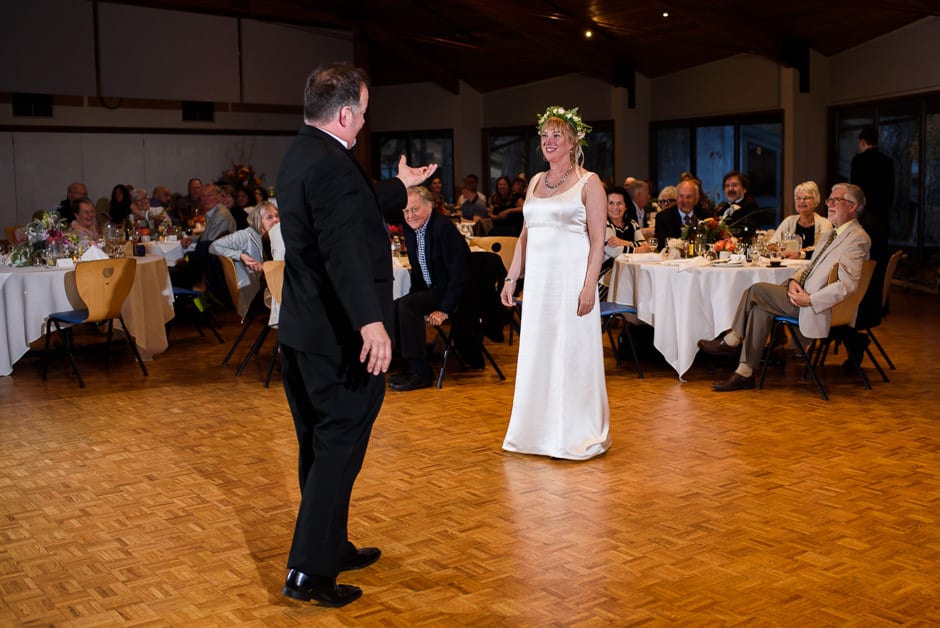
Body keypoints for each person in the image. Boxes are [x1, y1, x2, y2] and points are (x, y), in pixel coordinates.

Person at [275, 62, 436, 608]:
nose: (364, 123)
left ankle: (330, 544)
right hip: (338, 336)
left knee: (320, 448)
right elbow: (343, 252)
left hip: (301, 331)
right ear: (345, 113)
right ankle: (308, 573)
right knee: (338, 446)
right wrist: (372, 323)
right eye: (363, 114)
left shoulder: (302, 154)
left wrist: (401, 185)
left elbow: (356, 202)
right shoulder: (334, 168)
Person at [499, 105, 610, 460]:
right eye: (544, 136)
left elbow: (598, 241)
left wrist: (589, 286)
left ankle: (573, 433)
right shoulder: (534, 182)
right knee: (538, 352)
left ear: (573, 140)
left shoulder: (590, 183)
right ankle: (534, 433)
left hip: (571, 282)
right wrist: (511, 277)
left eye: (556, 135)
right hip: (539, 285)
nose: (548, 142)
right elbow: (524, 236)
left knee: (570, 353)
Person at [697, 183, 872, 392]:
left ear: (853, 206)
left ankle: (732, 339)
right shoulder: (831, 235)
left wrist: (810, 300)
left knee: (756, 290)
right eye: (829, 201)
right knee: (760, 307)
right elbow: (810, 267)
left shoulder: (857, 238)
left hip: (816, 307)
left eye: (837, 201)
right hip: (801, 297)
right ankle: (744, 372)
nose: (830, 205)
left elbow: (848, 285)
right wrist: (793, 282)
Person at [388, 185, 470, 391]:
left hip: (453, 292)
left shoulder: (443, 228)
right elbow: (417, 271)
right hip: (431, 289)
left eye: (414, 209)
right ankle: (409, 364)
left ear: (430, 206)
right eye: (406, 211)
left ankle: (421, 373)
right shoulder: (411, 229)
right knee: (395, 306)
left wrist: (445, 309)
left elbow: (460, 275)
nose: (409, 215)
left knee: (408, 306)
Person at [851, 124, 895, 337]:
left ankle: (861, 302)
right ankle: (880, 305)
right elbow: (891, 192)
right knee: (880, 262)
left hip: (865, 217)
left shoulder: (859, 161)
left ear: (862, 141)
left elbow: (855, 192)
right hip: (882, 218)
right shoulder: (887, 162)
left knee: (863, 261)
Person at [208, 200, 279, 318]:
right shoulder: (246, 235)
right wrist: (240, 255)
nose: (276, 220)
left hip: (263, 287)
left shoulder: (271, 236)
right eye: (269, 217)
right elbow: (214, 246)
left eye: (277, 215)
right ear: (258, 221)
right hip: (253, 296)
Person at [770, 181, 832, 259]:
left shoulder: (825, 224)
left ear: (816, 201)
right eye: (798, 198)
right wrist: (781, 249)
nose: (801, 201)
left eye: (806, 198)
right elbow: (771, 244)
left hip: (813, 268)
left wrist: (799, 253)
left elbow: (823, 250)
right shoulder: (789, 221)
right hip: (788, 266)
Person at [653, 179, 700, 250]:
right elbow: (661, 245)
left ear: (696, 199)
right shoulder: (663, 217)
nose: (685, 201)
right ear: (676, 197)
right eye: (681, 196)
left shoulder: (704, 215)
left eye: (689, 197)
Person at [715, 171, 760, 237]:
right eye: (727, 186)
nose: (730, 189)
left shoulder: (751, 208)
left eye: (734, 185)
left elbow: (748, 232)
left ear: (744, 189)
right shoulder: (723, 208)